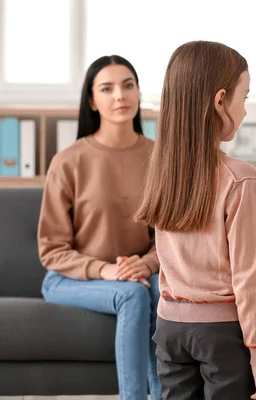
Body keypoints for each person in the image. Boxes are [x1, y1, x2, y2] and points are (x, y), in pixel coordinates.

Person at [134, 40, 256, 400]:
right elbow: (249, 279)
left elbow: (166, 260)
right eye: (243, 98)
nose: (244, 112)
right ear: (219, 101)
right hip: (221, 335)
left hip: (169, 328)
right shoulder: (241, 179)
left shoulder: (162, 172)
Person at [38, 55, 162, 400]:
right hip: (72, 276)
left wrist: (147, 263)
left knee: (158, 288)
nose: (120, 96)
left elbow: (169, 235)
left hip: (137, 271)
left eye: (128, 85)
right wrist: (106, 270)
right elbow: (52, 249)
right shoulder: (68, 161)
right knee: (133, 293)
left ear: (137, 92)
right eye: (107, 89)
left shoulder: (159, 158)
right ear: (92, 101)